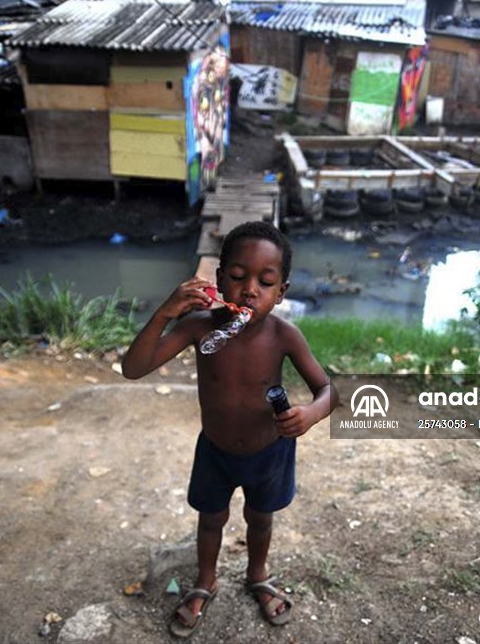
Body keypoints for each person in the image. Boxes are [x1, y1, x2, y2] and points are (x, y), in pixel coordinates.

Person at [121, 221, 337, 637]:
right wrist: (166, 312)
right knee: (210, 519)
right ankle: (206, 579)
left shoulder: (283, 335)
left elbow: (327, 389)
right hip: (215, 451)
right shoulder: (200, 326)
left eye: (265, 281)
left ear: (281, 292)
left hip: (269, 452)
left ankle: (257, 575)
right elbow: (133, 369)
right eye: (237, 277)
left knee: (261, 518)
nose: (249, 289)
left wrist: (310, 414)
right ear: (219, 279)